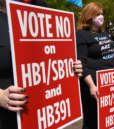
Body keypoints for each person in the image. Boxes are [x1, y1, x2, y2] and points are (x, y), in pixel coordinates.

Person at [0, 1, 82, 129]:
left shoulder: (43, 13)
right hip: (6, 118)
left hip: (43, 114)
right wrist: (0, 96)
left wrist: (71, 67)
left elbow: (53, 55)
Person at [76, 2, 114, 129]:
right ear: (89, 16)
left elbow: (112, 57)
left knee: (106, 121)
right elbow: (81, 63)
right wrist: (91, 85)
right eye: (97, 14)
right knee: (92, 122)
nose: (101, 16)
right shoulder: (81, 34)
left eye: (102, 14)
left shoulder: (104, 33)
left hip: (109, 84)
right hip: (93, 85)